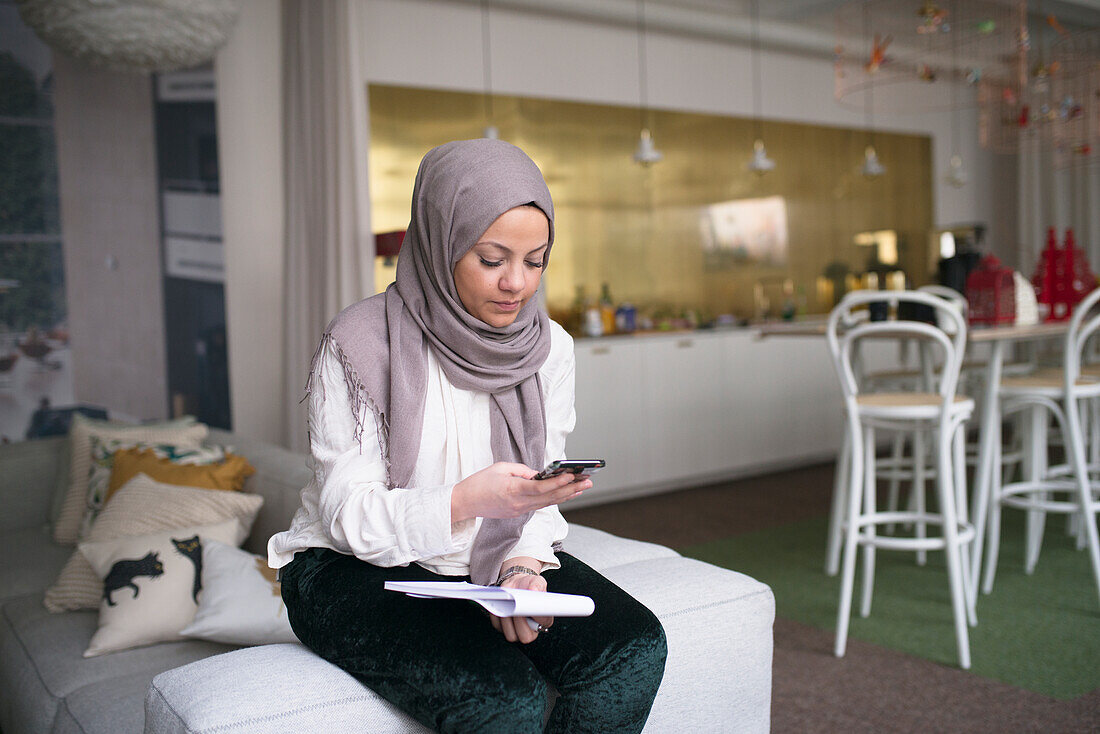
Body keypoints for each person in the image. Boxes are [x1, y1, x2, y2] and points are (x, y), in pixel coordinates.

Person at [269, 139, 667, 734]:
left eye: (535, 261)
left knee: (633, 651)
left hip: (484, 553)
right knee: (505, 700)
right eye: (491, 258)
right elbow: (348, 514)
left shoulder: (548, 347)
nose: (517, 284)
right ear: (440, 242)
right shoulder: (356, 344)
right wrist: (466, 502)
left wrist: (521, 566)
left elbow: (536, 490)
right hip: (347, 564)